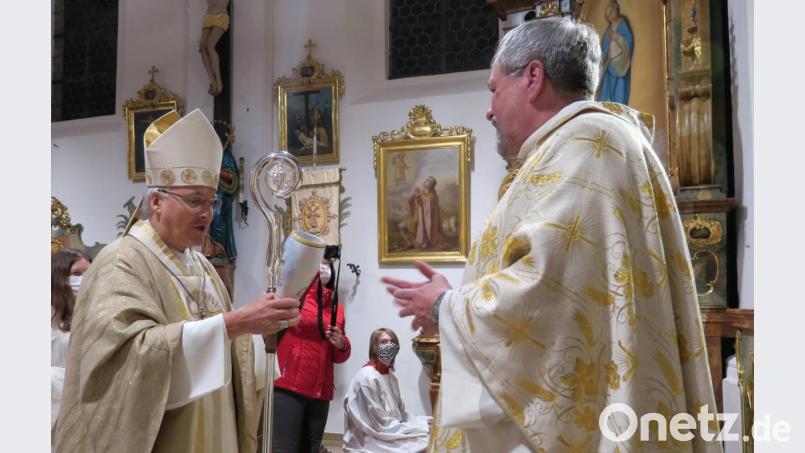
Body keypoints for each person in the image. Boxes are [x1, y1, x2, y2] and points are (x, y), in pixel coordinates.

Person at [382, 18, 720, 452]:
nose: (489, 108)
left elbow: (550, 290)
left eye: (493, 89)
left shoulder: (588, 146)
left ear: (533, 77)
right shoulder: (581, 145)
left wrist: (448, 305)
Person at [54, 109, 302, 453]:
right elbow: (122, 364)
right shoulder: (120, 261)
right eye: (195, 200)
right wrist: (236, 323)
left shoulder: (202, 266)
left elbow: (230, 350)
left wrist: (262, 334)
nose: (208, 213)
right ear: (156, 201)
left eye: (212, 201)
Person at [273, 258, 351, 453]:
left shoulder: (337, 309)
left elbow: (338, 356)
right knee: (286, 447)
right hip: (291, 384)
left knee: (311, 448)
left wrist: (342, 343)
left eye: (328, 264)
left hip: (321, 388)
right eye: (320, 263)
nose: (325, 268)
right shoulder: (296, 298)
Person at [343, 328, 430, 453]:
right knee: (426, 442)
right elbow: (379, 425)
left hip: (389, 430)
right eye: (383, 342)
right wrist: (420, 429)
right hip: (371, 439)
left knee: (430, 434)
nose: (389, 345)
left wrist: (423, 423)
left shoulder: (391, 376)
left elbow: (402, 415)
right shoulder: (367, 378)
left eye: (392, 342)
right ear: (374, 346)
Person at [51, 248, 91, 443]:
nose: (84, 278)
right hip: (56, 405)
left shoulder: (95, 307)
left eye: (89, 272)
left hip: (90, 402)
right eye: (76, 274)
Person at [597, 0, 633, 104]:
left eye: (611, 13)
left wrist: (618, 38)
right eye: (608, 16)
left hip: (621, 66)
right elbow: (604, 49)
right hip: (609, 68)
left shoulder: (623, 24)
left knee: (619, 92)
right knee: (608, 92)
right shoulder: (608, 30)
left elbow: (629, 41)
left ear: (616, 10)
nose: (610, 17)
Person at [200, 0, 230, 96]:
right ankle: (212, 81)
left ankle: (219, 81)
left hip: (220, 16)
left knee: (210, 45)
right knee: (202, 46)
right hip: (208, 16)